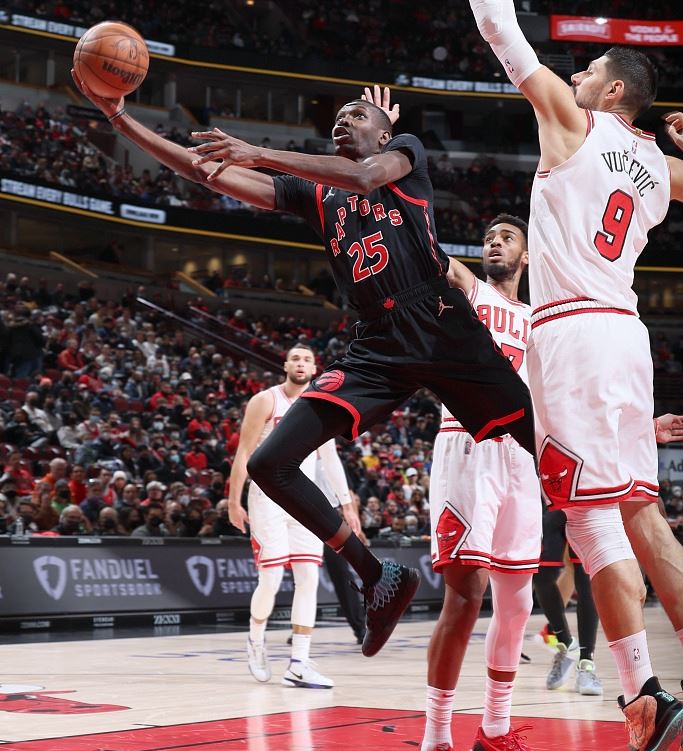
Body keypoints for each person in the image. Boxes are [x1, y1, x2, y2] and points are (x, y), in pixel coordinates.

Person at [72, 69, 536, 659]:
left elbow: (366, 175)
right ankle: (378, 575)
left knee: (542, 444)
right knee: (270, 463)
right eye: (337, 116)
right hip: (377, 344)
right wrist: (119, 119)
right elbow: (203, 169)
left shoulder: (405, 156)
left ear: (385, 131)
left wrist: (259, 151)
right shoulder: (317, 195)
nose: (343, 119)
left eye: (357, 114)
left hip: (439, 322)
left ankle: (614, 532)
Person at [447, 0, 683, 751]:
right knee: (641, 516)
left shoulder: (573, 123)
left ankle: (644, 697)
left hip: (573, 333)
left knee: (588, 526)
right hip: (627, 335)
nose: (575, 74)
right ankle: (645, 697)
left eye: (588, 69)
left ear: (613, 91)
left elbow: (501, 32)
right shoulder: (658, 171)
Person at [412, 214, 557, 751]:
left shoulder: (539, 320)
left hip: (521, 456)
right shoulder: (471, 292)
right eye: (489, 238)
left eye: (507, 237)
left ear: (527, 254)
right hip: (468, 446)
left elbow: (558, 399)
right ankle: (433, 744)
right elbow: (432, 257)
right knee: (466, 596)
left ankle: (495, 728)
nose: (495, 242)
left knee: (518, 602)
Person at [229, 344, 361, 688]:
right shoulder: (265, 401)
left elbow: (329, 458)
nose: (301, 364)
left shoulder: (322, 406)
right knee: (271, 579)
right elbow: (244, 452)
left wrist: (346, 504)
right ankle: (255, 641)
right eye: (295, 359)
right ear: (286, 365)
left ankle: (299, 663)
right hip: (268, 497)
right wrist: (233, 501)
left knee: (308, 578)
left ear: (315, 369)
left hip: (305, 498)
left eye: (307, 360)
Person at [534, 511, 602, 696]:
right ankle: (566, 642)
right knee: (541, 575)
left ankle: (586, 662)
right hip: (551, 504)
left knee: (585, 578)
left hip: (583, 505)